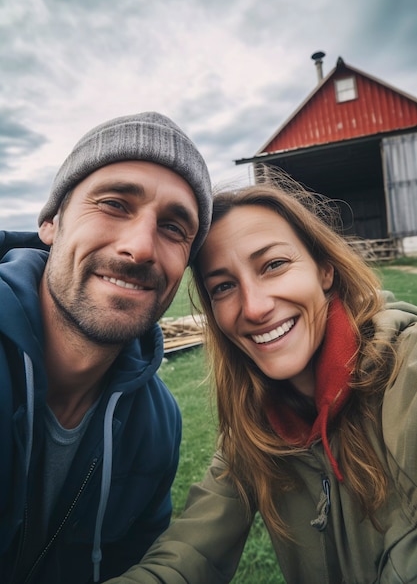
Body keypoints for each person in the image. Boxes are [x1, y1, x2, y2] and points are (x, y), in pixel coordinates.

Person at [104, 179, 417, 584]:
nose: (254, 307)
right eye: (224, 286)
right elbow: (190, 554)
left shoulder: (404, 373)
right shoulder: (254, 430)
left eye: (274, 265)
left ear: (325, 270)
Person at [0, 111, 212, 584]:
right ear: (51, 223)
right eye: (115, 204)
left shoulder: (158, 425)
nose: (140, 247)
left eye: (175, 227)